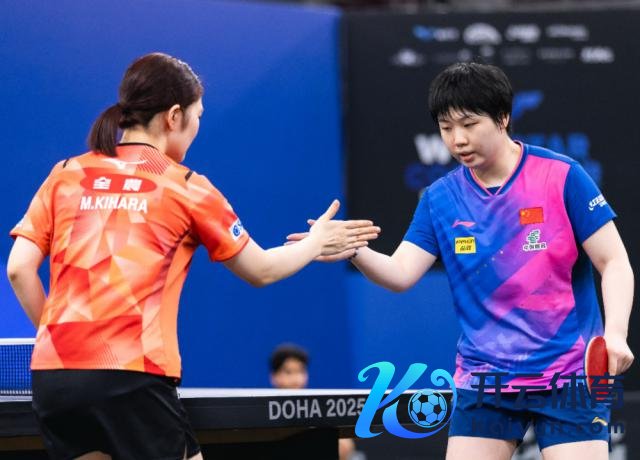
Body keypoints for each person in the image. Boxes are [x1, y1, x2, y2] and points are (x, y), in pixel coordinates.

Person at [6, 52, 380, 460]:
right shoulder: (185, 186)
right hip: (132, 375)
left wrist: (62, 343)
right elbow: (262, 270)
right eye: (197, 116)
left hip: (54, 378)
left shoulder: (66, 173)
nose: (198, 126)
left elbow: (19, 269)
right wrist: (316, 242)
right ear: (174, 116)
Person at [289, 62, 634, 459]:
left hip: (568, 373)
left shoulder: (562, 176)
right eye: (446, 128)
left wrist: (616, 334)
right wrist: (354, 250)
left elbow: (614, 262)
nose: (457, 140)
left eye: (469, 124)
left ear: (503, 117)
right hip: (485, 380)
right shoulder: (440, 198)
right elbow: (400, 273)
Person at [269, 343, 356, 460]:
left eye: (300, 371)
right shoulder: (265, 414)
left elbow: (345, 448)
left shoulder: (320, 411)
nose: (296, 379)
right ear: (274, 376)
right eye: (289, 372)